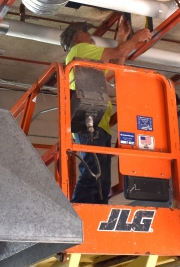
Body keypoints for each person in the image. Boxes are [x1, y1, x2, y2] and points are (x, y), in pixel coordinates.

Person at [59, 18, 153, 204]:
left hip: (95, 119)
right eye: (87, 33)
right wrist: (136, 38)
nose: (91, 36)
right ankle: (79, 212)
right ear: (77, 37)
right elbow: (120, 52)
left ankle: (96, 212)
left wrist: (122, 38)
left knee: (101, 177)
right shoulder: (79, 49)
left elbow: (118, 68)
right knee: (93, 171)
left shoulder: (86, 59)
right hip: (89, 118)